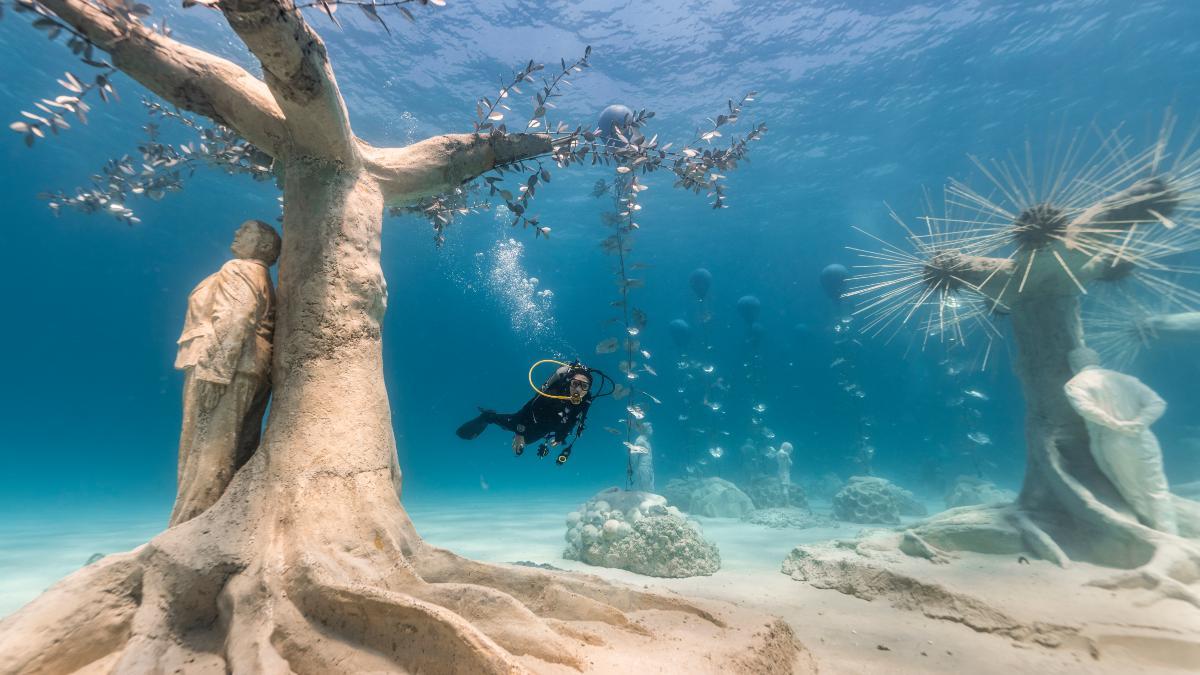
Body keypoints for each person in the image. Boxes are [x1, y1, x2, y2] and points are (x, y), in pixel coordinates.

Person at [170, 219, 280, 526]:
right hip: (250, 368)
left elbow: (235, 316)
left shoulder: (241, 268)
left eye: (245, 230)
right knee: (234, 450)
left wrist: (215, 372)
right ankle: (230, 523)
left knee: (204, 453)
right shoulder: (262, 277)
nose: (236, 233)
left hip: (226, 367)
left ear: (265, 245)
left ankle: (190, 528)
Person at [1063, 347, 1177, 534]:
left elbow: (1086, 409)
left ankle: (1152, 534)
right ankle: (1171, 536)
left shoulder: (1075, 384)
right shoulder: (1126, 379)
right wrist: (1138, 423)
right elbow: (1158, 403)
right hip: (1144, 438)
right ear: (1097, 360)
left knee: (1131, 491)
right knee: (1158, 489)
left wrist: (1116, 424)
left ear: (1073, 365)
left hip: (1112, 441)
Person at [456, 361, 597, 464]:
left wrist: (562, 435)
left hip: (546, 427)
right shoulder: (553, 393)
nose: (578, 390)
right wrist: (519, 432)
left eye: (584, 386)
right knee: (511, 428)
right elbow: (529, 408)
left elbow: (575, 419)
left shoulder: (586, 401)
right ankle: (487, 416)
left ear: (589, 388)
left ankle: (517, 431)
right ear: (569, 382)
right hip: (527, 418)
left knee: (527, 442)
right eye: (575, 384)